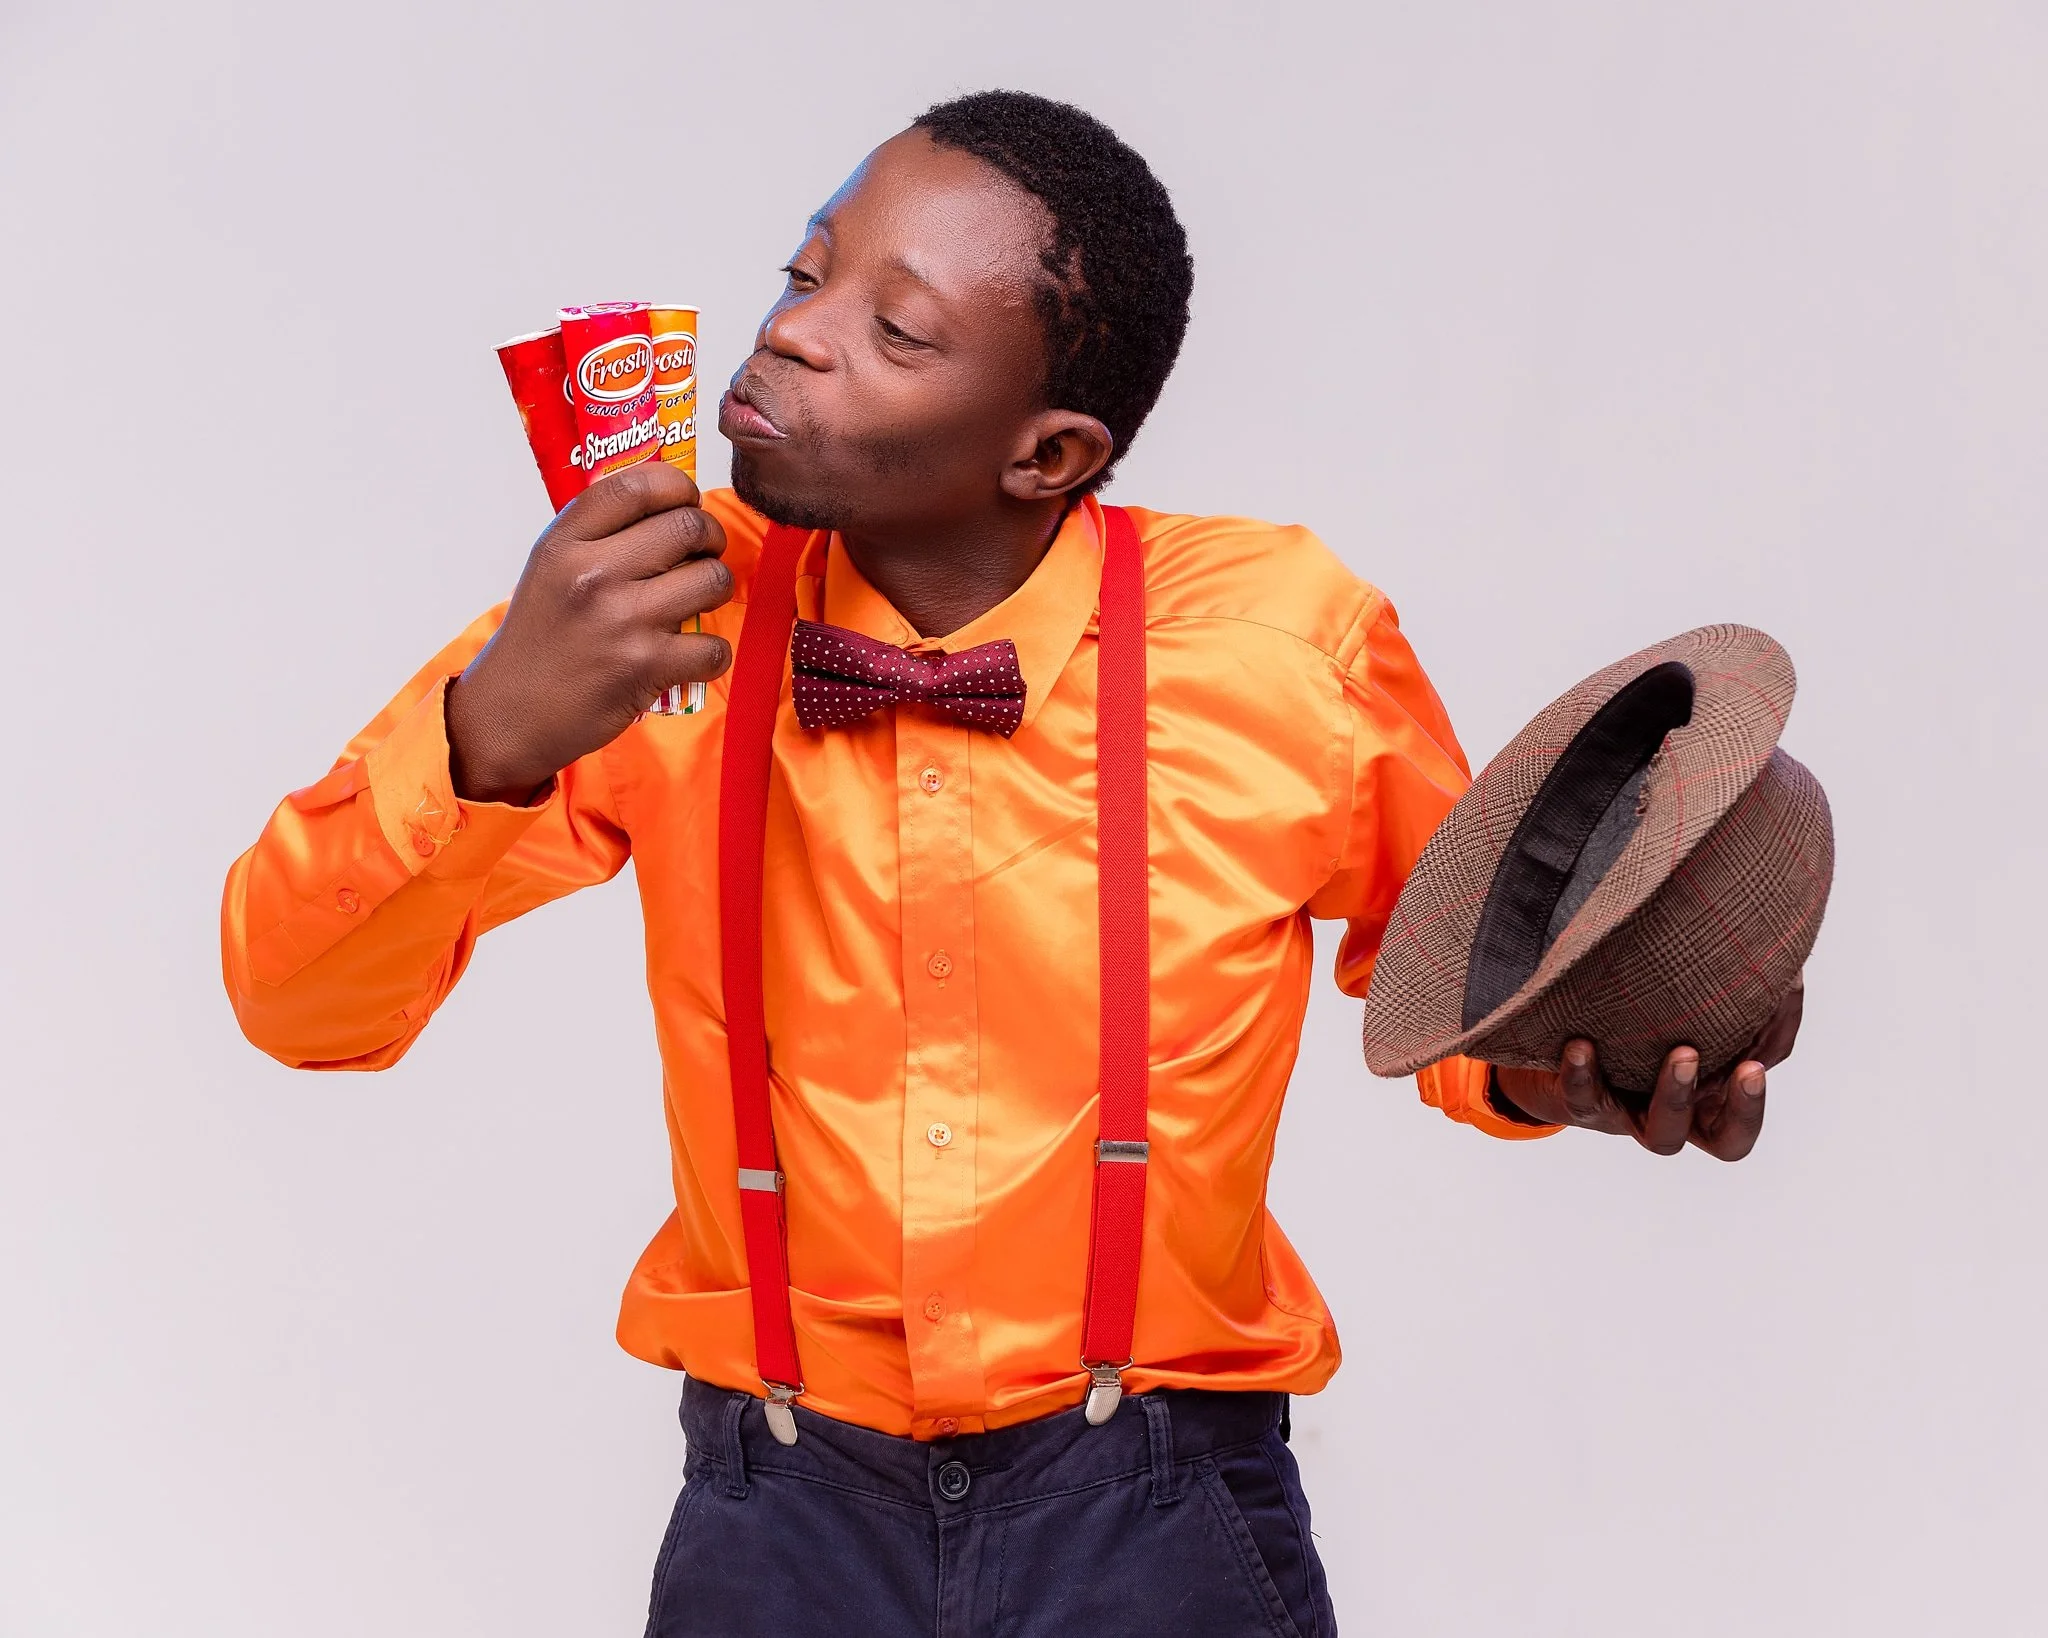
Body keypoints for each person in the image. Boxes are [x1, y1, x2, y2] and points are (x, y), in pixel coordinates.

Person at [221, 90, 1802, 1637]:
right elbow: (297, 997)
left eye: (899, 333)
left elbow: (1468, 991)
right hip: (775, 1513)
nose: (796, 333)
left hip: (1162, 1507)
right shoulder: (654, 611)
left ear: (1048, 452)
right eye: (806, 271)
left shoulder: (1282, 643)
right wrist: (487, 732)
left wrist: (1571, 1064)